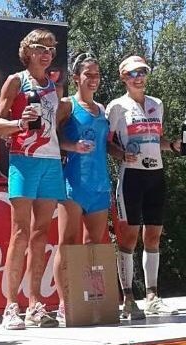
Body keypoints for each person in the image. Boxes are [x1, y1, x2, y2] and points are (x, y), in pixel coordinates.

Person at [0, 28, 65, 330]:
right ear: (27, 51)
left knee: (41, 234)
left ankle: (35, 304)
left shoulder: (55, 87)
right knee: (20, 232)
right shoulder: (16, 80)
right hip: (24, 161)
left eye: (51, 48)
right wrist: (18, 124)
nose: (46, 53)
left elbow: (54, 128)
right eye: (40, 47)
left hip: (50, 162)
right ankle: (11, 306)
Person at [106, 55, 181, 320]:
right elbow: (106, 143)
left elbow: (156, 139)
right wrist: (120, 154)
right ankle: (127, 297)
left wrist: (172, 146)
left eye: (142, 72)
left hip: (156, 175)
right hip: (132, 177)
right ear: (123, 78)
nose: (139, 77)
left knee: (154, 236)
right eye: (132, 73)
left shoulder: (156, 104)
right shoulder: (116, 106)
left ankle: (152, 296)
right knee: (128, 238)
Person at [53, 53, 112, 326]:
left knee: (93, 247)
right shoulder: (67, 106)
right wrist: (72, 147)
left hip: (99, 184)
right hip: (73, 183)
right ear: (76, 77)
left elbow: (105, 145)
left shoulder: (103, 110)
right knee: (68, 245)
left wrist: (123, 153)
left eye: (97, 74)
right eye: (88, 74)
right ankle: (65, 303)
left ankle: (91, 302)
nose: (93, 79)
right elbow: (49, 138)